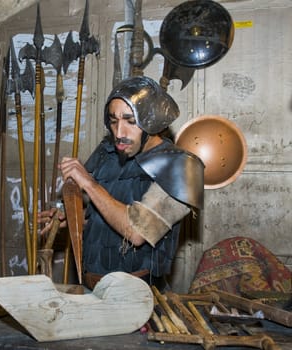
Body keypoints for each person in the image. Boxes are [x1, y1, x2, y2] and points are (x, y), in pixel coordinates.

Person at [39, 76, 204, 291]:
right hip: (90, 287)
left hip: (136, 296)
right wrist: (74, 218)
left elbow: (136, 233)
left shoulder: (181, 167)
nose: (119, 133)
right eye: (114, 121)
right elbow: (104, 216)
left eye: (130, 121)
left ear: (151, 122)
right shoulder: (108, 152)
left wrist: (89, 183)